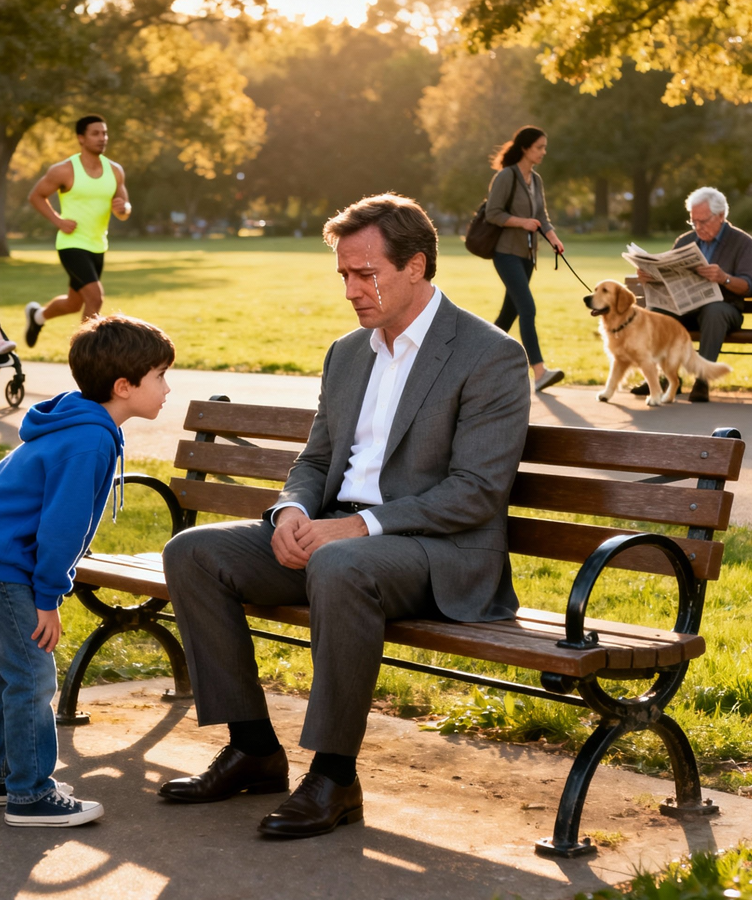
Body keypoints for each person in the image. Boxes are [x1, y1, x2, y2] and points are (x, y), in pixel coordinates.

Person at [159, 193, 531, 839]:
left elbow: (475, 492)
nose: (353, 290)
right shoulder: (348, 352)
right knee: (194, 552)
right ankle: (253, 749)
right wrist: (293, 511)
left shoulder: (487, 354)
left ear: (415, 266)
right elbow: (318, 455)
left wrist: (356, 527)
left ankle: (334, 775)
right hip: (341, 542)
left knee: (339, 562)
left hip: (440, 551)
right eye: (344, 276)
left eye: (367, 274)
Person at [0, 314, 173, 827]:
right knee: (31, 674)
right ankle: (30, 795)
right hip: (1, 563)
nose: (167, 388)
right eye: (159, 376)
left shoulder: (82, 423)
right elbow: (61, 529)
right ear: (124, 386)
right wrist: (49, 598)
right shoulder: (88, 442)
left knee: (9, 673)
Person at [633, 186, 752, 403]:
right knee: (657, 314)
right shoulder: (685, 241)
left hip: (725, 310)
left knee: (714, 311)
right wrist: (651, 276)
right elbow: (669, 275)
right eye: (693, 221)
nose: (698, 227)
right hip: (686, 308)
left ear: (721, 216)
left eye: (703, 221)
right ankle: (664, 379)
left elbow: (748, 285)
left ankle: (702, 381)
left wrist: (723, 277)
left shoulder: (743, 243)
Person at [24, 114, 131, 347]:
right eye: (95, 133)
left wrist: (124, 208)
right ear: (81, 138)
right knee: (95, 297)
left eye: (104, 133)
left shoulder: (115, 170)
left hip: (98, 245)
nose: (102, 138)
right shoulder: (64, 170)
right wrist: (58, 220)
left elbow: (124, 210)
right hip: (71, 244)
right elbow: (36, 196)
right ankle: (85, 355)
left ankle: (37, 316)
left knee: (74, 303)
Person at [484, 125, 566, 393]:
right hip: (505, 253)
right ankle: (539, 372)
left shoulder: (536, 180)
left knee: (508, 314)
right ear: (525, 148)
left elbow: (541, 217)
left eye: (544, 147)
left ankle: (479, 363)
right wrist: (522, 223)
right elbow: (492, 213)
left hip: (527, 256)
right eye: (539, 147)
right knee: (527, 309)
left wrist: (553, 239)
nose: (544, 151)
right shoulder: (506, 177)